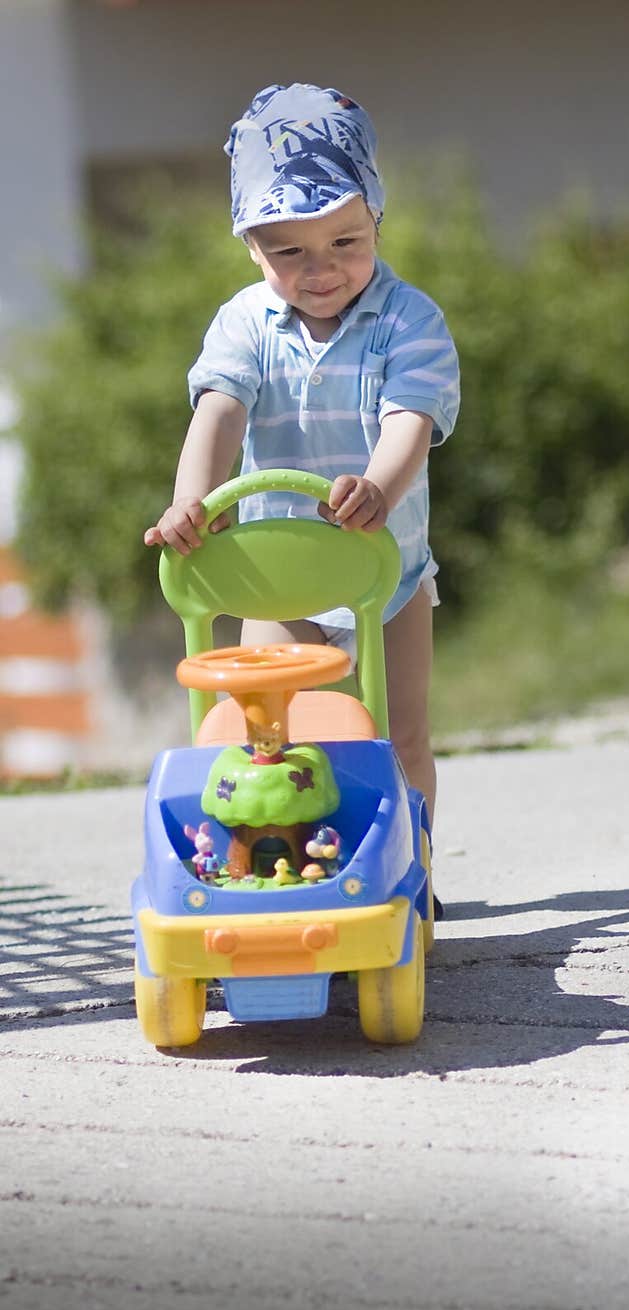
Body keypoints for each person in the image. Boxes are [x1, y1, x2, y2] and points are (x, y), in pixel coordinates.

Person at [144, 82, 460, 911]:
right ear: (252, 248)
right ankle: (267, 871)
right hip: (274, 579)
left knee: (402, 735)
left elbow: (411, 424)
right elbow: (218, 411)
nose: (321, 271)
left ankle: (411, 871)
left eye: (344, 241)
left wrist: (379, 489)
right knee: (265, 739)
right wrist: (193, 504)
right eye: (289, 252)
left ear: (377, 222)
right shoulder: (245, 324)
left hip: (384, 572)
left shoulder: (409, 322)